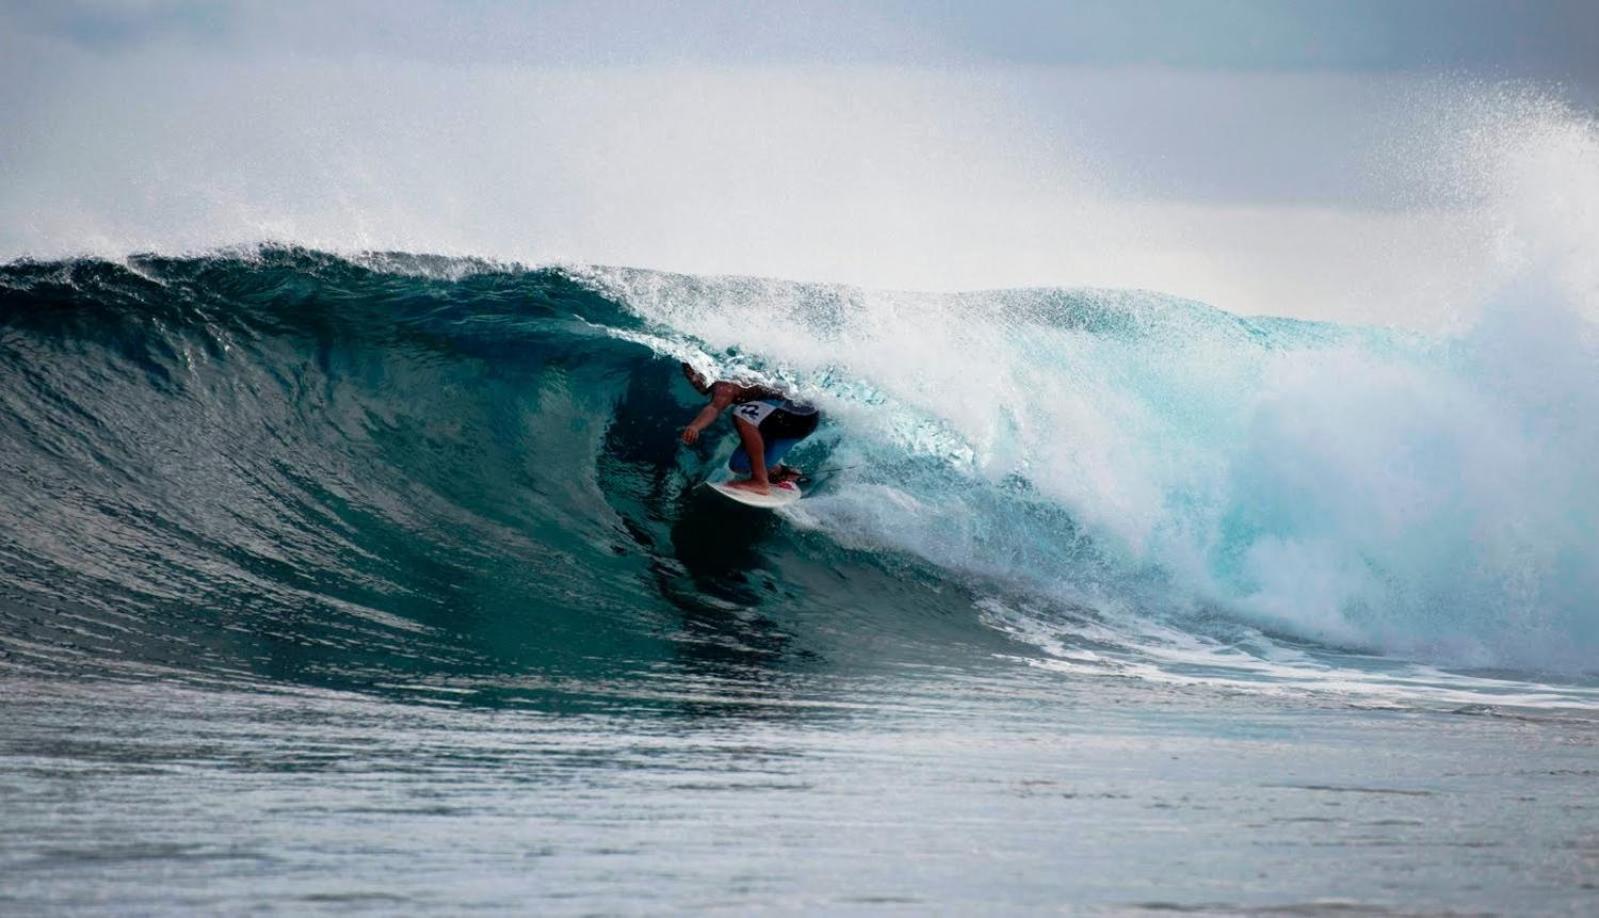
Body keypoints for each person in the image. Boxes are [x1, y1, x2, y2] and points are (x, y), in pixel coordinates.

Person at [678, 363, 820, 494]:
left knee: (743, 414)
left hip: (800, 416)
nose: (694, 381)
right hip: (791, 423)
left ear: (705, 371)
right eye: (689, 377)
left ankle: (760, 482)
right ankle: (780, 472)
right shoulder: (728, 380)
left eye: (694, 375)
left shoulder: (724, 385)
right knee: (740, 465)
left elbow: (715, 407)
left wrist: (695, 426)